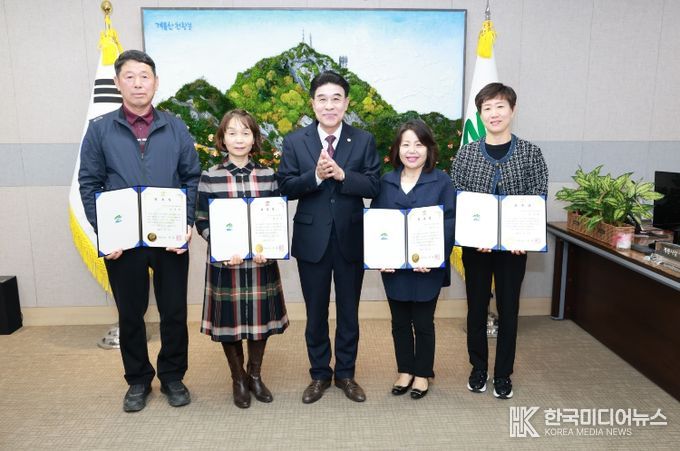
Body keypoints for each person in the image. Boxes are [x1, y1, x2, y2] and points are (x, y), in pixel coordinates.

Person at [79, 50, 201, 412]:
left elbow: (191, 178)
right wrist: (105, 233)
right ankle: (137, 380)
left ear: (156, 83)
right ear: (117, 83)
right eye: (129, 77)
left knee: (174, 312)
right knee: (130, 313)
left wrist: (185, 223)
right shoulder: (100, 129)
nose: (137, 83)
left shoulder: (175, 126)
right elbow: (89, 184)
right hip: (123, 241)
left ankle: (173, 376)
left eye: (144, 76)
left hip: (169, 238)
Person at [277, 71, 381, 404]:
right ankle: (320, 374)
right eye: (322, 99)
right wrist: (317, 177)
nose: (329, 105)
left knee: (349, 312)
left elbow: (374, 185)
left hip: (351, 238)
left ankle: (346, 374)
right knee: (316, 313)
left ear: (346, 103)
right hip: (312, 241)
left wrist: (343, 175)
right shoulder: (295, 141)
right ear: (312, 103)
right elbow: (285, 186)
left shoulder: (362, 140)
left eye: (336, 98)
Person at [450, 82, 548, 399]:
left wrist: (525, 237)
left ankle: (503, 373)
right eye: (487, 108)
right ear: (480, 114)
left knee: (509, 311)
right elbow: (457, 197)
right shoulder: (466, 154)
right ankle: (478, 368)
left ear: (512, 110)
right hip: (475, 249)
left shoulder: (531, 154)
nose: (494, 113)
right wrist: (473, 234)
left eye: (500, 106)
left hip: (514, 251)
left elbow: (538, 196)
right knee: (476, 310)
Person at [195, 109, 289, 409]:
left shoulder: (267, 176)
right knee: (230, 324)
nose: (239, 139)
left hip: (260, 262)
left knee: (260, 322)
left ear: (254, 138)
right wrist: (221, 246)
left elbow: (274, 221)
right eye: (232, 133)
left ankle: (255, 375)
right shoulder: (210, 176)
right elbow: (201, 220)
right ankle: (237, 378)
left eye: (245, 133)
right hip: (227, 263)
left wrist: (270, 248)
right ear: (222, 139)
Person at [371, 120, 455, 399]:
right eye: (406, 144)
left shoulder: (442, 181)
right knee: (399, 322)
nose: (412, 150)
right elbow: (377, 223)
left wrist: (434, 256)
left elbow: (450, 222)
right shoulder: (386, 181)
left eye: (419, 144)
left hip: (427, 268)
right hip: (394, 268)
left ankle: (422, 373)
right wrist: (379, 255)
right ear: (397, 149)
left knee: (423, 322)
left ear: (428, 148)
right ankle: (405, 370)